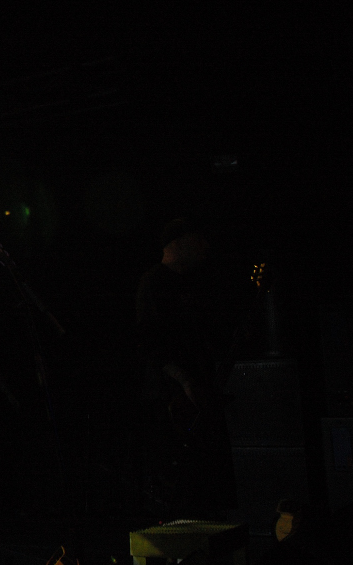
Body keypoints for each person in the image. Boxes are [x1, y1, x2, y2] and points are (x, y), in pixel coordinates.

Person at [134, 217, 235, 518]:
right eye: (197, 239)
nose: (205, 246)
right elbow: (150, 345)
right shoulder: (153, 283)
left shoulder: (196, 283)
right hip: (170, 398)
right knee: (180, 479)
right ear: (178, 243)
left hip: (195, 393)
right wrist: (185, 381)